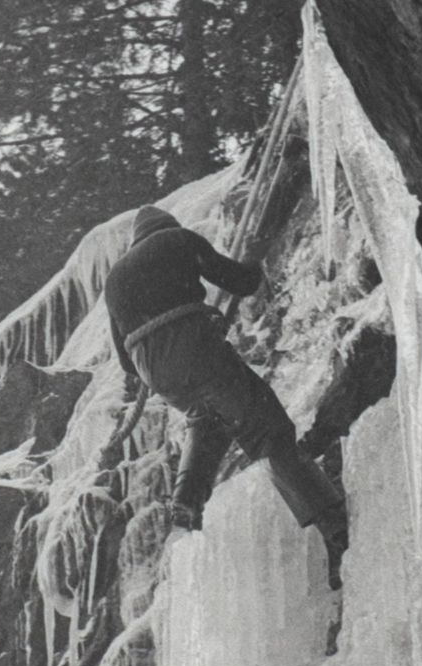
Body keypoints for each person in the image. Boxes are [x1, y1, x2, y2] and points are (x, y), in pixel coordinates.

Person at [104, 206, 348, 555]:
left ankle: (186, 499)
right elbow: (242, 282)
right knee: (268, 432)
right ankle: (335, 526)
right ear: (167, 225)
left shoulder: (114, 281)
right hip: (197, 350)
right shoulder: (178, 239)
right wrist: (252, 258)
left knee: (206, 419)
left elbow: (126, 363)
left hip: (158, 375)